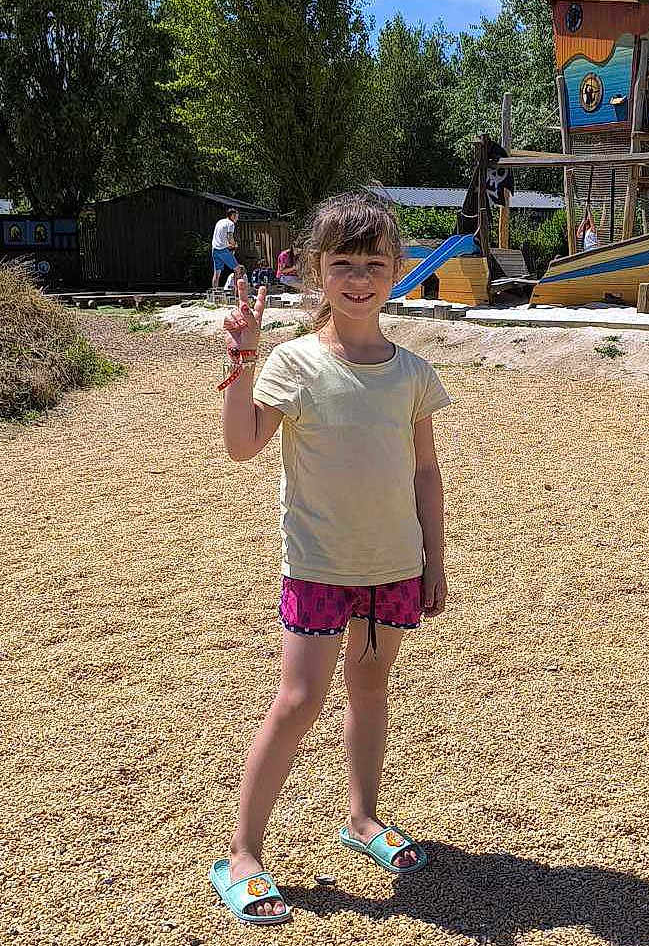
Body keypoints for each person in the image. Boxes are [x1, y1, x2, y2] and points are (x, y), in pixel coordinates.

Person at [209, 191, 450, 925]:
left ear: (397, 271)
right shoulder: (296, 362)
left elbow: (424, 471)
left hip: (393, 565)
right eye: (341, 263)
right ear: (316, 269)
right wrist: (241, 358)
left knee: (371, 690)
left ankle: (361, 818)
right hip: (317, 565)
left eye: (374, 263)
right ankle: (243, 852)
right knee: (298, 700)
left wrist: (432, 556)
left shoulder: (411, 371)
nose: (357, 278)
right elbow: (243, 443)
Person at [211, 209, 240, 288]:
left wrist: (229, 245)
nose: (237, 219)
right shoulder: (231, 224)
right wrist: (234, 245)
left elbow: (221, 238)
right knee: (238, 269)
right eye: (237, 217)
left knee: (217, 274)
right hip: (223, 250)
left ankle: (215, 293)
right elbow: (230, 237)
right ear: (232, 216)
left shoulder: (220, 221)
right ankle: (237, 293)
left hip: (215, 249)